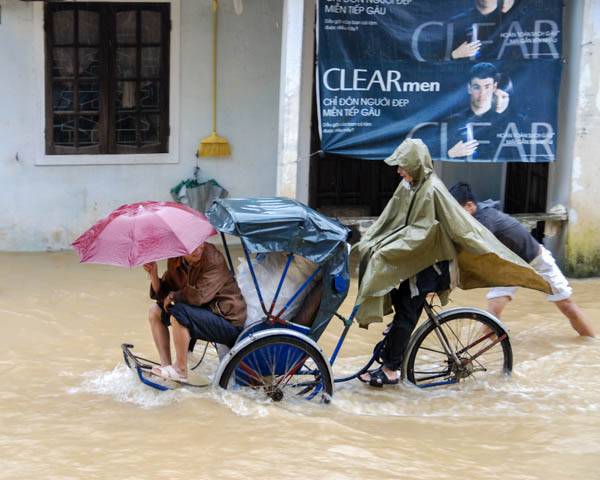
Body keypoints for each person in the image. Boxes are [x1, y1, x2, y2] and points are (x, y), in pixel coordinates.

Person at [355, 139, 551, 388]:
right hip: (420, 261)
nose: (398, 170)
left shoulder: (430, 190)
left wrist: (386, 251)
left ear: (414, 164)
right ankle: (395, 353)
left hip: (432, 266)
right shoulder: (410, 186)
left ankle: (391, 370)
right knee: (399, 303)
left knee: (406, 312)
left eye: (402, 165)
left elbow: (421, 233)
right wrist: (371, 243)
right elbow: (392, 221)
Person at [448, 182, 595, 337]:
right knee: (492, 315)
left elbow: (471, 253)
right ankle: (482, 355)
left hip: (537, 262)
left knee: (567, 306)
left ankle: (592, 344)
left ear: (470, 206)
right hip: (509, 267)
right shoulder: (475, 216)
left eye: (456, 211)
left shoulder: (485, 219)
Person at [143, 242, 247, 382]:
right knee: (155, 311)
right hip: (203, 313)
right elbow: (165, 293)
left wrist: (173, 296)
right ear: (181, 248)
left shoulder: (213, 259)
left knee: (179, 313)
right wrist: (153, 274)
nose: (199, 249)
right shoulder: (175, 259)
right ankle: (166, 366)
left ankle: (180, 370)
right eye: (193, 245)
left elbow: (199, 296)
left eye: (201, 243)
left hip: (227, 320)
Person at [446, 62, 500, 160]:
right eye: (476, 87)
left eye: (487, 86)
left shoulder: (503, 122)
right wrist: (450, 154)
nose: (482, 93)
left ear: (494, 87)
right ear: (469, 88)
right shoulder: (452, 121)